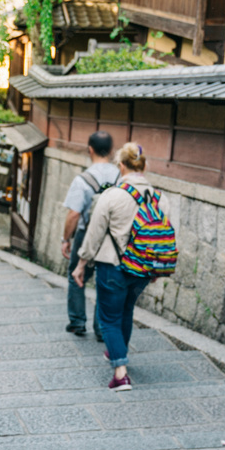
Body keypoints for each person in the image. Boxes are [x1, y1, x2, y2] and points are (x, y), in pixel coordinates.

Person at [72, 142, 170, 391]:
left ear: (121, 166)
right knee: (126, 311)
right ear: (145, 166)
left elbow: (94, 233)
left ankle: (120, 374)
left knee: (108, 318)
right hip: (143, 269)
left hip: (113, 265)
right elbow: (166, 234)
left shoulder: (112, 195)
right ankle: (117, 353)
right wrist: (156, 268)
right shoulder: (160, 198)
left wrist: (82, 263)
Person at [61, 131, 120, 340]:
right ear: (112, 151)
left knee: (76, 275)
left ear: (90, 149)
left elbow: (74, 213)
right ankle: (101, 328)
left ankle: (77, 322)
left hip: (86, 234)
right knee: (105, 279)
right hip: (113, 237)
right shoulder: (121, 177)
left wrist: (65, 239)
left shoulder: (83, 179)